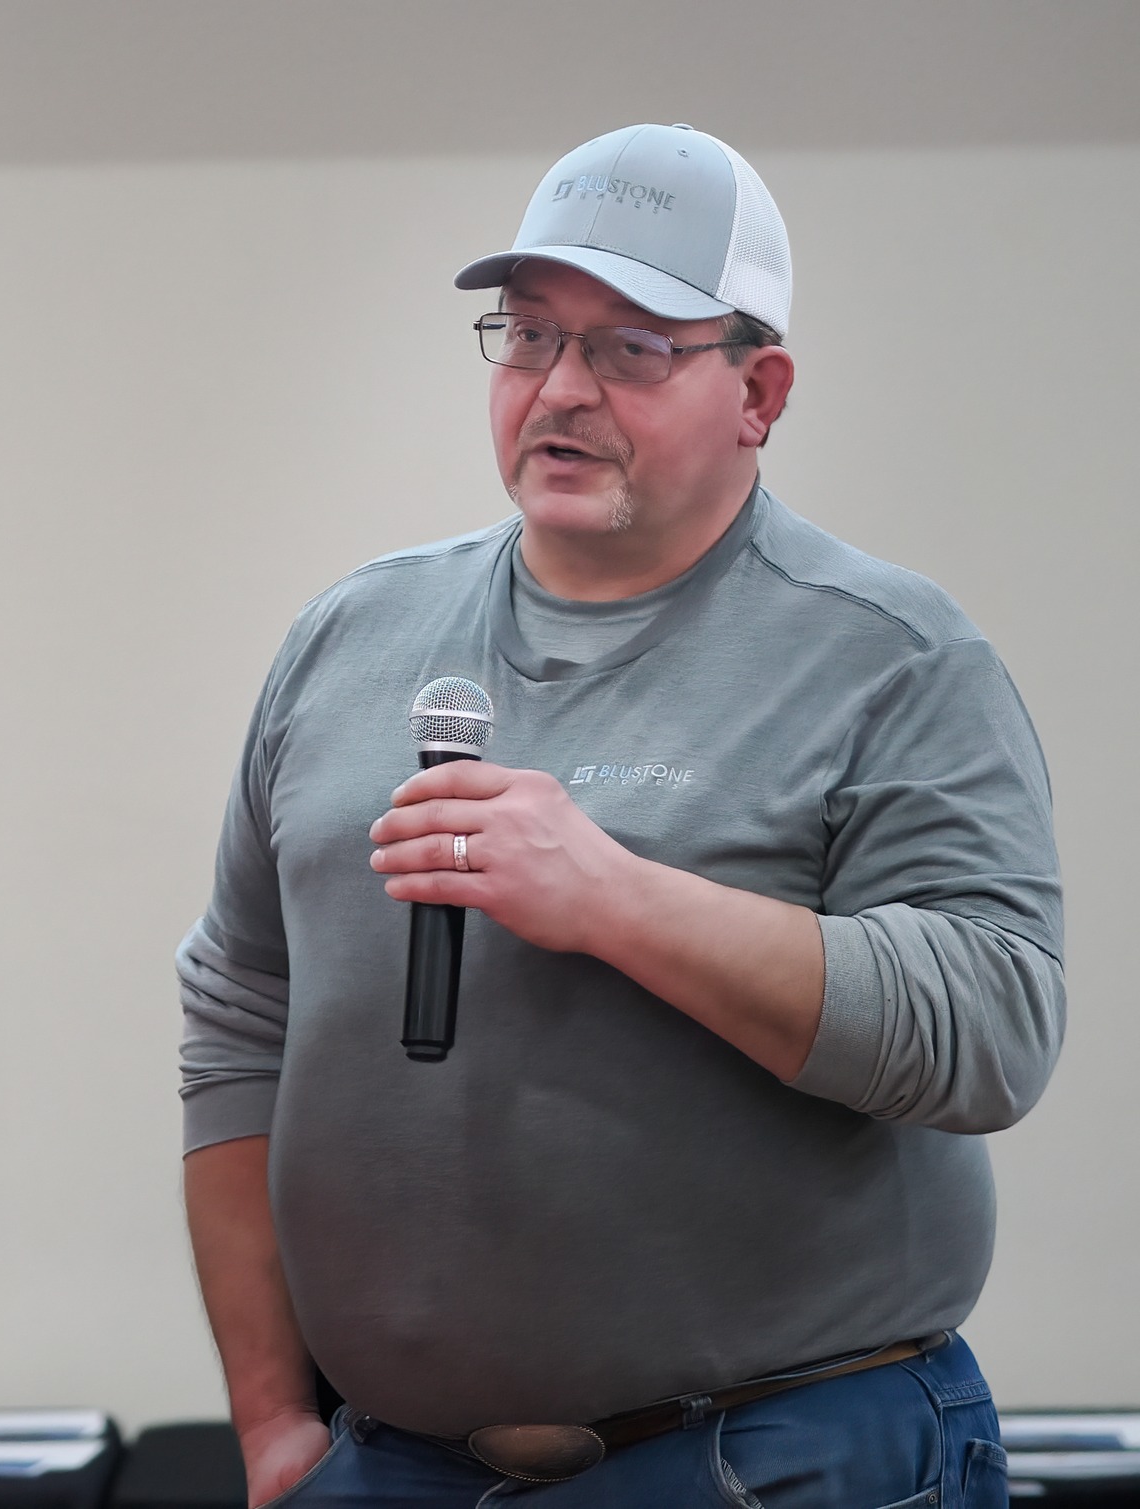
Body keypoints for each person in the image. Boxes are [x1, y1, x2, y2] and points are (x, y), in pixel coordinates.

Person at [178, 123, 1060, 1506]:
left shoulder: (891, 655)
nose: (561, 389)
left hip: (777, 1457)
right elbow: (239, 1014)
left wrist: (615, 898)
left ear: (759, 390)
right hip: (388, 1464)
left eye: (631, 348)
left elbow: (991, 1028)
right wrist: (274, 1419)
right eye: (529, 336)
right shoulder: (350, 637)